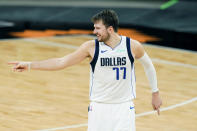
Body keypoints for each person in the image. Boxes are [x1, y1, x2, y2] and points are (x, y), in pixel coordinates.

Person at [8, 9, 162, 131]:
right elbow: (62, 62)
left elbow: (148, 65)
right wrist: (30, 65)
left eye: (97, 28)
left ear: (110, 29)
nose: (94, 31)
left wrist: (155, 93)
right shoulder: (91, 47)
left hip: (124, 108)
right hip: (99, 108)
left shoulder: (132, 46)